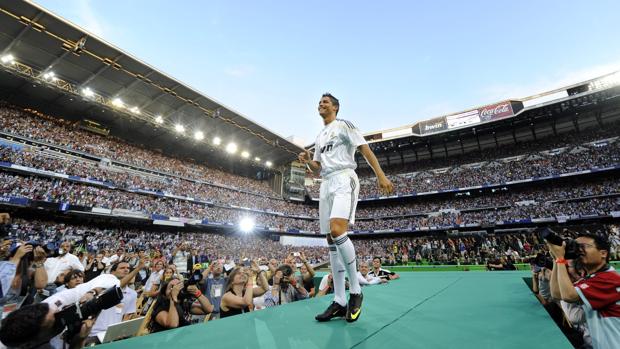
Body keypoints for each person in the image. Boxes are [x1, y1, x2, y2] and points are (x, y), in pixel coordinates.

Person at [299, 93, 393, 323]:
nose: (321, 104)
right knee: (330, 240)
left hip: (344, 178)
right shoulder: (320, 135)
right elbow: (317, 168)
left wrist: (380, 175)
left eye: (325, 102)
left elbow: (365, 150)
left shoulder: (344, 125)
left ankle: (356, 292)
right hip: (326, 182)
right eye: (319, 102)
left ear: (336, 108)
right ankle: (340, 299)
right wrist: (308, 161)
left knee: (338, 230)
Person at [548, 233, 620, 349]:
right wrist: (556, 259)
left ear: (603, 253)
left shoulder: (609, 279)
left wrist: (561, 260)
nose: (579, 250)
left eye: (584, 246)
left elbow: (568, 296)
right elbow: (556, 294)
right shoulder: (592, 280)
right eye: (576, 246)